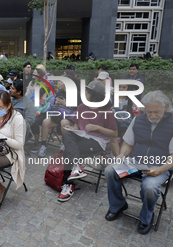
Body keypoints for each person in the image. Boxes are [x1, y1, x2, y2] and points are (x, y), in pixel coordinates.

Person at [104, 91, 173, 235]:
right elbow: (128, 143)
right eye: (149, 112)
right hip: (135, 162)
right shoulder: (138, 120)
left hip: (159, 165)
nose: (152, 115)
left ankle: (146, 217)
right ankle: (118, 205)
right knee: (110, 170)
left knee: (149, 187)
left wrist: (161, 170)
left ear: (165, 107)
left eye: (156, 112)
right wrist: (122, 155)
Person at [58, 80, 117, 202]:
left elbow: (114, 133)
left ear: (94, 95)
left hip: (97, 141)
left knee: (69, 151)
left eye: (87, 91)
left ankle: (68, 184)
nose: (84, 93)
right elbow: (77, 126)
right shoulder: (82, 107)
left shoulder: (107, 111)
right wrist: (72, 129)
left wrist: (98, 128)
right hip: (82, 136)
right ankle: (75, 168)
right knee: (67, 136)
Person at [37, 69, 81, 158]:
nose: (58, 84)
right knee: (45, 122)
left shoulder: (76, 93)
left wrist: (66, 103)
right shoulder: (60, 92)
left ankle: (65, 145)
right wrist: (57, 102)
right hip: (59, 115)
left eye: (60, 82)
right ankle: (43, 145)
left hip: (70, 118)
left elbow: (79, 109)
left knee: (63, 122)